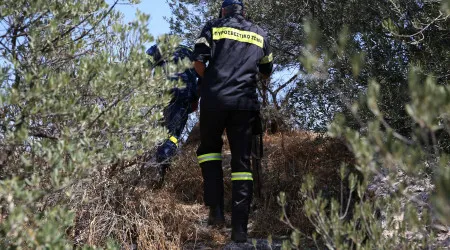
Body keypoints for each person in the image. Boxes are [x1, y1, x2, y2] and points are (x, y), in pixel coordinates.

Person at [193, 0, 273, 243]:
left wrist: (212, 82)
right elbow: (266, 70)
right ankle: (240, 229)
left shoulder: (212, 27)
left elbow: (198, 61)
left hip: (214, 101)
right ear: (244, 12)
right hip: (244, 104)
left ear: (223, 11)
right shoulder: (260, 34)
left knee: (209, 153)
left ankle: (216, 213)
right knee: (242, 163)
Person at [146, 42, 200, 184]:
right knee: (173, 135)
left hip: (166, 90)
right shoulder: (193, 55)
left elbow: (147, 60)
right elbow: (200, 78)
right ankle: (162, 170)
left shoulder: (163, 46)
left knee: (162, 132)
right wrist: (195, 99)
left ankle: (158, 166)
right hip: (183, 94)